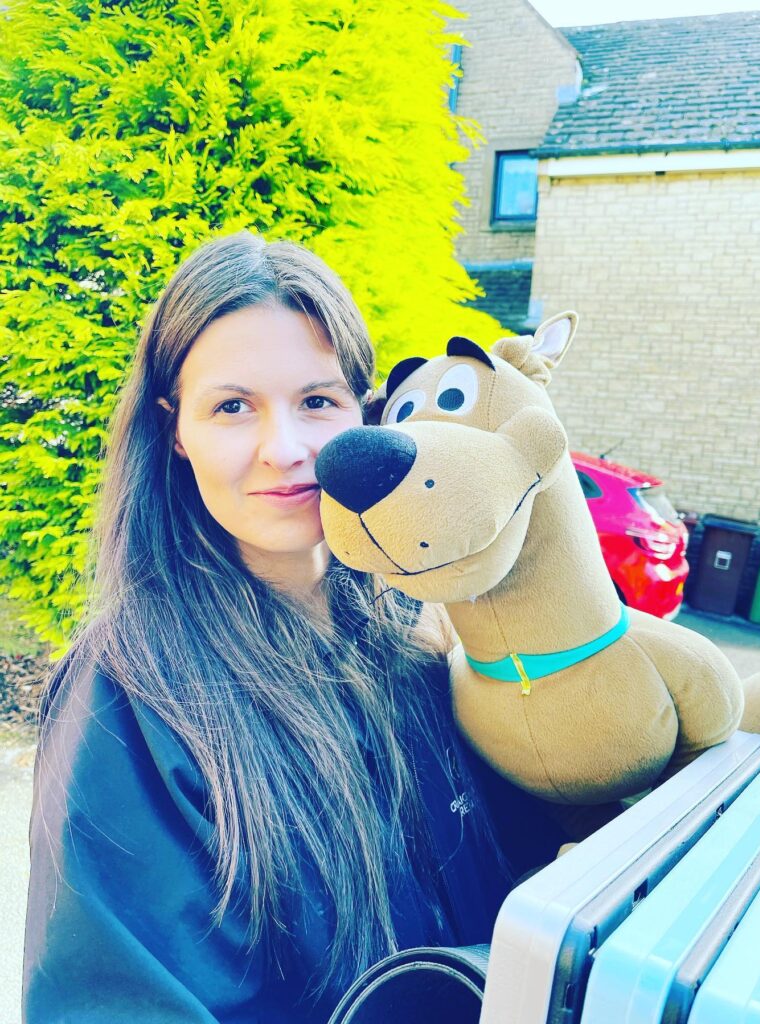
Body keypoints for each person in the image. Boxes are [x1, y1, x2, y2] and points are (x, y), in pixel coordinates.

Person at [23, 232, 566, 1022]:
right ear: (176, 429)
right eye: (233, 406)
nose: (286, 450)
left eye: (318, 401)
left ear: (365, 413)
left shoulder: (414, 632)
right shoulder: (129, 698)